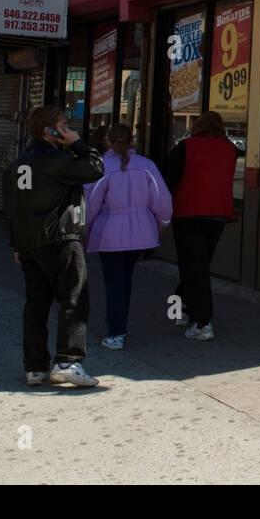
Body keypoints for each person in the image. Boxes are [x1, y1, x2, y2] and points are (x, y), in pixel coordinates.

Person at [2, 106, 105, 387]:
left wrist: (16, 243)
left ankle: (35, 366)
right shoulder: (57, 161)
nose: (68, 129)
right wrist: (79, 144)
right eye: (63, 125)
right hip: (60, 239)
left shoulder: (18, 165)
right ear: (50, 131)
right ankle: (68, 361)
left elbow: (11, 209)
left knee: (37, 304)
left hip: (29, 245)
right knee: (73, 299)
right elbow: (96, 168)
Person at [84, 124, 172, 350]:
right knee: (125, 279)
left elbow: (90, 204)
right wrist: (158, 225)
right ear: (131, 141)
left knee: (114, 283)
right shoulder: (147, 166)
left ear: (108, 142)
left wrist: (84, 230)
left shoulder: (102, 167)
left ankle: (116, 332)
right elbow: (163, 203)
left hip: (110, 234)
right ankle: (119, 325)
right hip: (140, 234)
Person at [164, 111, 240, 341]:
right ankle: (179, 308)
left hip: (188, 212)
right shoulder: (230, 150)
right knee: (198, 263)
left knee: (193, 265)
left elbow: (168, 179)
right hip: (217, 214)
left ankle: (202, 321)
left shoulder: (186, 146)